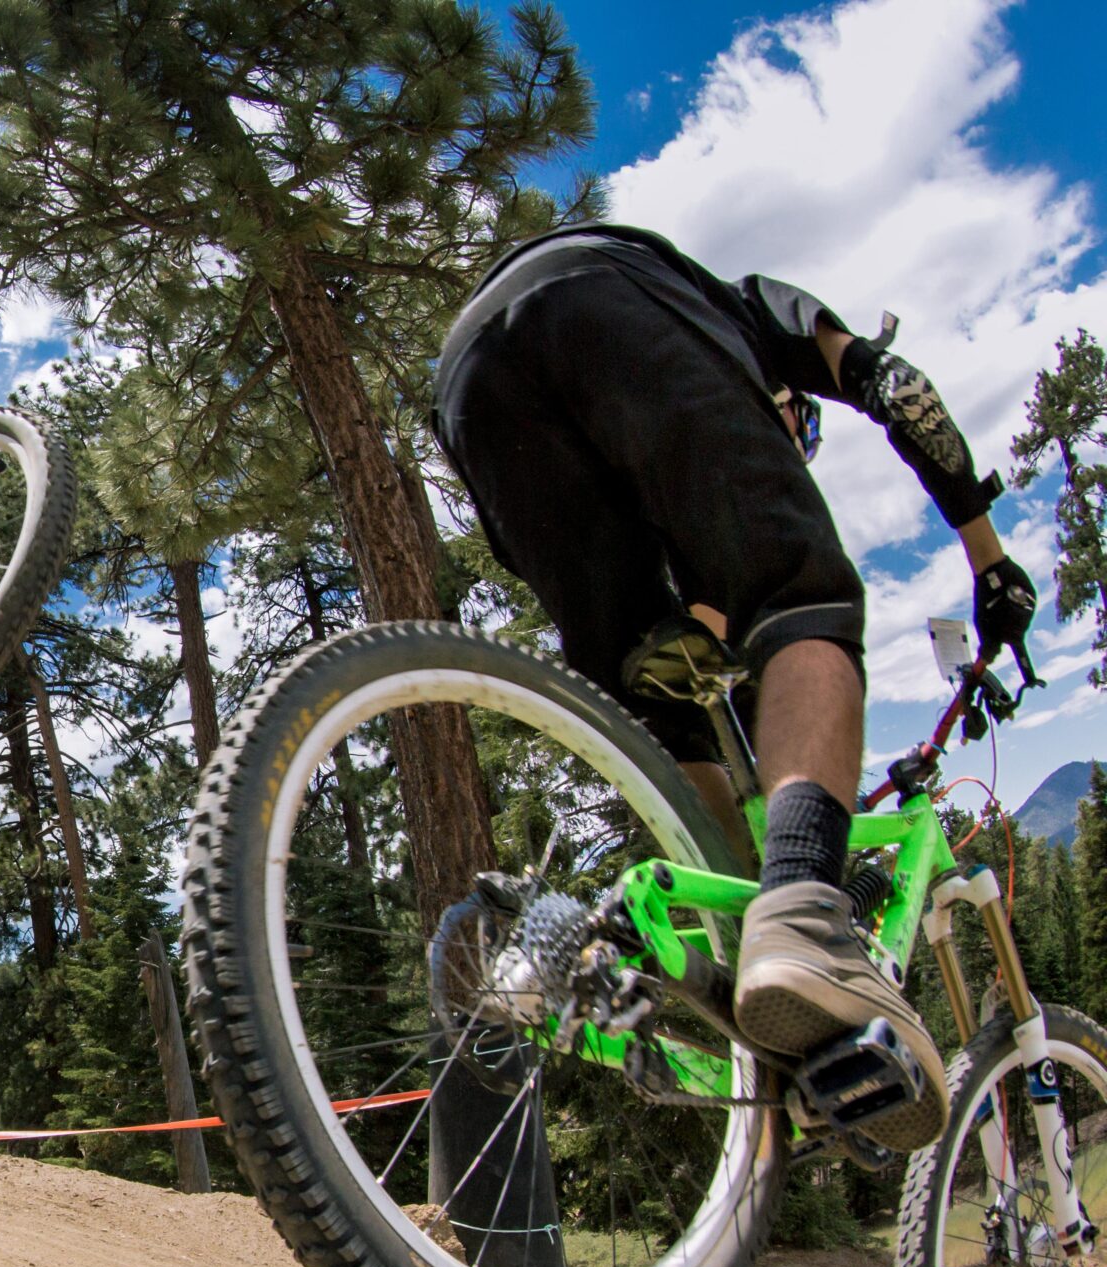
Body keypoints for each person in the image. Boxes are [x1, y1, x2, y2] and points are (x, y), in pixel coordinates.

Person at [433, 222, 1041, 1153]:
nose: (794, 453)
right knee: (805, 599)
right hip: (603, 305)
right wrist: (989, 562)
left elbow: (685, 603)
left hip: (473, 387)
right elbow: (900, 389)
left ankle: (712, 978)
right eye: (798, 434)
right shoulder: (755, 312)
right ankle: (802, 915)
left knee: (670, 708)